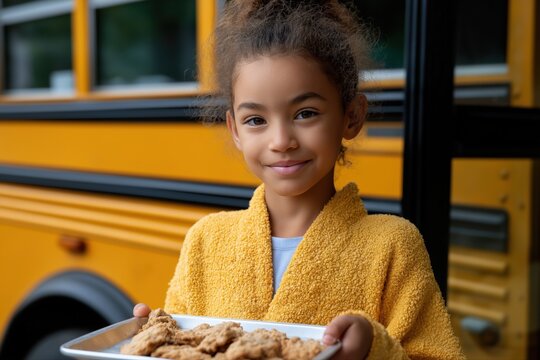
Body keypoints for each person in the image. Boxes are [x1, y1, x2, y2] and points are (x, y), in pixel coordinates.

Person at [134, 0, 465, 359]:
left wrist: (372, 348)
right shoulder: (205, 241)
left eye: (305, 113)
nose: (281, 141)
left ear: (351, 116)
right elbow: (184, 345)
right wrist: (152, 342)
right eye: (256, 120)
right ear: (235, 130)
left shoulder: (393, 246)